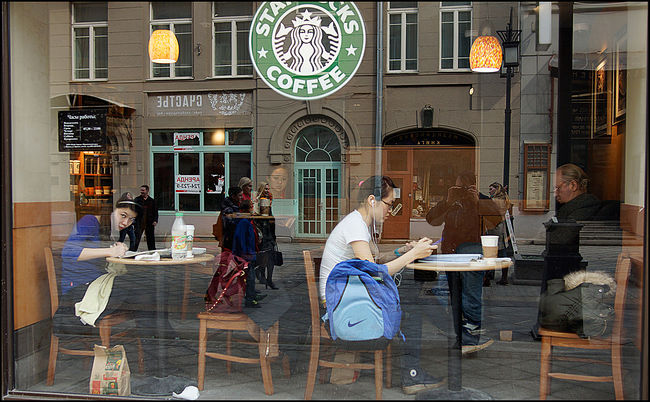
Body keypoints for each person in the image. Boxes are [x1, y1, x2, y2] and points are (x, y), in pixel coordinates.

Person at [319, 175, 444, 395]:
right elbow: (374, 273)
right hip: (339, 309)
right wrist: (414, 254)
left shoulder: (359, 224)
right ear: (372, 200)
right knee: (414, 307)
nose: (390, 211)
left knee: (416, 299)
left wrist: (401, 251)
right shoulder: (355, 226)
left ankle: (450, 336)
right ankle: (417, 369)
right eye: (389, 204)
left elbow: (373, 263)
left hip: (348, 297)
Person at [54, 194, 169, 373]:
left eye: (131, 219)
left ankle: (159, 358)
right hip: (79, 292)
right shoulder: (90, 221)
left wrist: (114, 252)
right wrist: (110, 251)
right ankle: (158, 362)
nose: (125, 222)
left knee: (148, 294)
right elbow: (68, 252)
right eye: (123, 215)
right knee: (146, 295)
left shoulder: (107, 229)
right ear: (111, 209)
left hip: (95, 287)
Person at [425, 171, 501, 354]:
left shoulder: (480, 199)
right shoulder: (451, 201)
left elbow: (496, 220)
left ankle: (470, 339)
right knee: (456, 297)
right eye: (459, 187)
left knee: (471, 295)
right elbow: (431, 219)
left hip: (472, 251)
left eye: (466, 187)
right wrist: (447, 202)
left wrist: (477, 202)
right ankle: (461, 338)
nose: (463, 191)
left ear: (474, 186)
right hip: (451, 252)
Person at [231, 200, 266, 308]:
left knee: (250, 277)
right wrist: (244, 254)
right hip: (245, 255)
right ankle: (250, 299)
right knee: (249, 278)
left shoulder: (247, 221)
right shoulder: (244, 222)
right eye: (251, 206)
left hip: (249, 253)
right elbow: (240, 239)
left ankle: (252, 296)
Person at [486, 182, 514, 286]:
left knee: (494, 253)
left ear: (496, 189)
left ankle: (491, 277)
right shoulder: (504, 199)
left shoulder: (495, 201)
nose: (489, 191)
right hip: (501, 228)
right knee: (500, 252)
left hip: (495, 228)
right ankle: (502, 276)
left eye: (491, 189)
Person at [254, 182, 279, 289]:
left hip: (269, 233)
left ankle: (269, 279)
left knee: (271, 256)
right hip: (262, 233)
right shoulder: (258, 202)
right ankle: (263, 276)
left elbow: (270, 217)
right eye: (265, 189)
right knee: (263, 257)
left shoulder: (269, 201)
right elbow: (257, 218)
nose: (267, 191)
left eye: (268, 189)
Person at [134, 184, 158, 251]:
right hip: (139, 221)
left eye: (143, 190)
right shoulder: (137, 200)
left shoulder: (152, 201)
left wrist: (155, 220)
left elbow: (155, 211)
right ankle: (133, 250)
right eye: (141, 190)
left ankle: (152, 251)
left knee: (150, 237)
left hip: (149, 221)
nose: (141, 192)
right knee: (136, 237)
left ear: (147, 191)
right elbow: (133, 210)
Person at [220, 186, 243, 252]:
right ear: (233, 196)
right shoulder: (228, 208)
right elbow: (230, 224)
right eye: (240, 195)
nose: (242, 197)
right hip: (230, 237)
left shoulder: (236, 205)